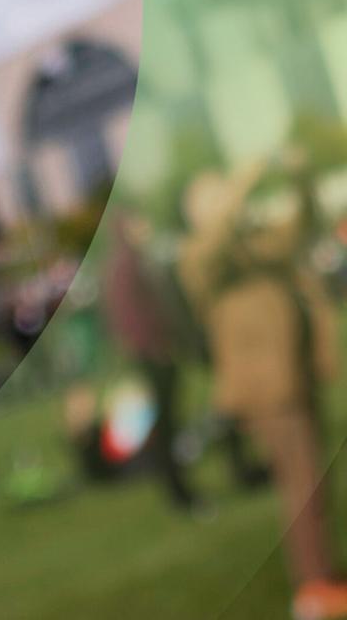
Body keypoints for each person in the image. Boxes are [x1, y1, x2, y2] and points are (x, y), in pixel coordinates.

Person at [177, 152, 347, 620]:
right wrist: (242, 180)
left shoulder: (253, 247)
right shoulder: (200, 259)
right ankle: (313, 590)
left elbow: (301, 225)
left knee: (314, 483)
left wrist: (299, 176)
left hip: (294, 377)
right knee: (302, 486)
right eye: (216, 199)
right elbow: (214, 240)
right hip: (266, 392)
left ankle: (322, 578)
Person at [100, 210, 201, 511]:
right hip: (153, 355)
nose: (144, 227)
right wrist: (156, 346)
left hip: (155, 352)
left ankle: (179, 488)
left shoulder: (132, 261)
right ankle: (178, 492)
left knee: (168, 422)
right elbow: (131, 316)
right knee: (164, 424)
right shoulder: (127, 264)